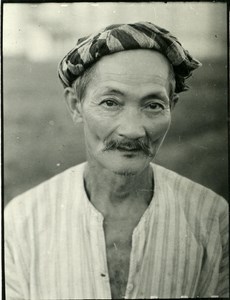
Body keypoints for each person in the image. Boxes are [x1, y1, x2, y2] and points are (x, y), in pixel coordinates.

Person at [5, 22, 229, 299]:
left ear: (171, 106)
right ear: (76, 106)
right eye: (110, 102)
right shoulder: (21, 221)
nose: (132, 130)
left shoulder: (213, 218)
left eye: (153, 105)